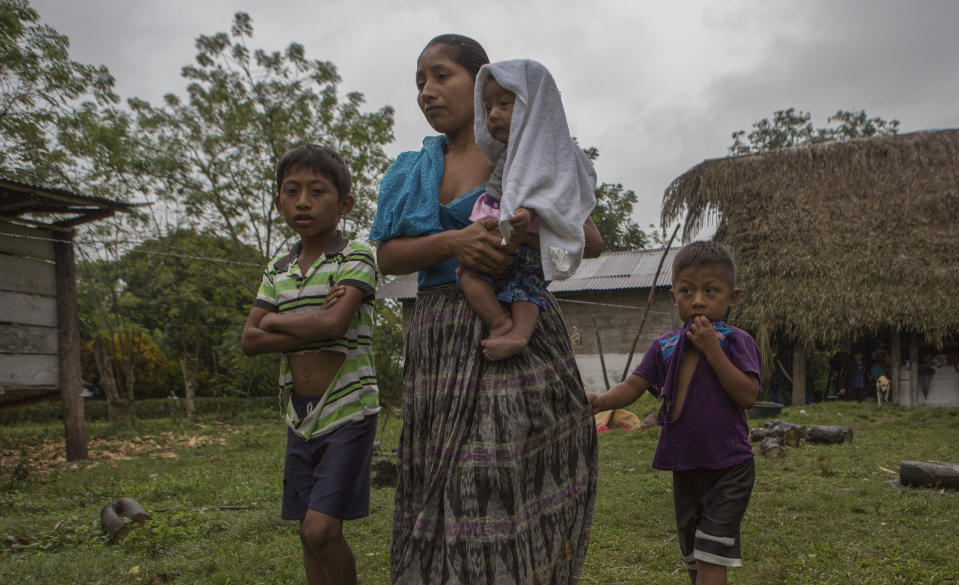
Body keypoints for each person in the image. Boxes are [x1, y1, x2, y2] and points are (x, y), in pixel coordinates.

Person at [369, 34, 602, 585]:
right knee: (443, 482)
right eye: (419, 81)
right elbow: (387, 255)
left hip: (517, 326)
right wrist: (455, 244)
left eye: (440, 75)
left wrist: (518, 236)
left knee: (497, 475)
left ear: (481, 82)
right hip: (439, 337)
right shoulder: (411, 169)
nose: (427, 91)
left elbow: (588, 240)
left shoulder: (526, 153)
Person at [241, 144, 379, 585]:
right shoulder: (277, 269)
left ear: (344, 204)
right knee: (306, 532)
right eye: (291, 191)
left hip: (348, 410)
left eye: (317, 191)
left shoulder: (356, 256)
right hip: (299, 416)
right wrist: (310, 321)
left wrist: (276, 320)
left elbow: (336, 324)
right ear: (279, 201)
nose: (303, 202)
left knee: (322, 529)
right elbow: (250, 339)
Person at [587, 241, 761, 585]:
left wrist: (712, 349)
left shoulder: (736, 341)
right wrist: (601, 401)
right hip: (684, 466)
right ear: (673, 297)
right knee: (694, 558)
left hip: (729, 466)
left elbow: (748, 395)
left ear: (733, 297)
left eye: (710, 291)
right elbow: (635, 385)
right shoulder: (664, 346)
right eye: (687, 290)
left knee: (712, 557)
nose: (697, 300)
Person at [458, 59, 596, 361]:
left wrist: (528, 216)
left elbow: (547, 190)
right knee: (467, 274)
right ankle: (500, 322)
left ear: (533, 106)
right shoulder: (504, 154)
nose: (493, 114)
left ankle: (520, 335)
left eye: (505, 104)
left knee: (525, 287)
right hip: (500, 238)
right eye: (487, 107)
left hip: (527, 241)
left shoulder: (548, 153)